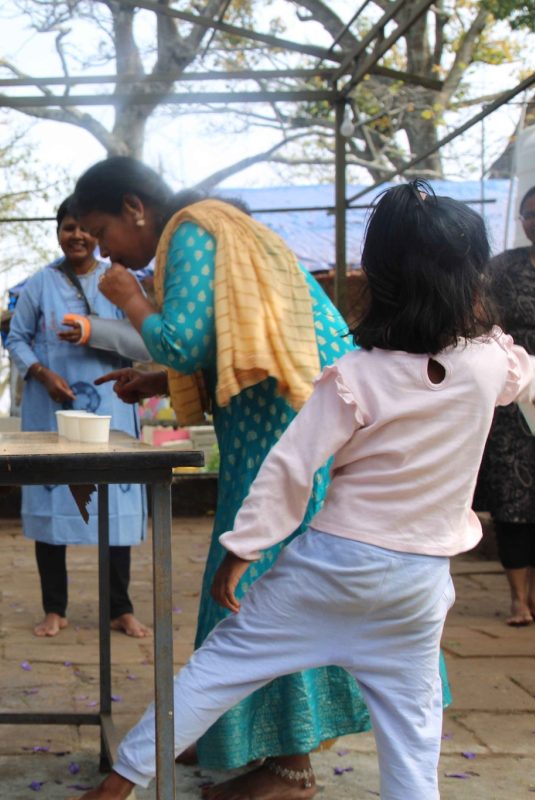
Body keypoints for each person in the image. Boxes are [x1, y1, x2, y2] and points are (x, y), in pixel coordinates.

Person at [76, 181, 535, 800]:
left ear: (377, 278)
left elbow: (291, 468)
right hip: (420, 584)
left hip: (332, 567)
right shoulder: (491, 363)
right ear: (474, 277)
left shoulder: (355, 376)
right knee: (413, 739)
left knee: (219, 669)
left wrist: (243, 549)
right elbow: (534, 376)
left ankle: (118, 785)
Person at [72, 157, 374, 797]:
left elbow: (183, 342)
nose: (104, 252)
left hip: (281, 424)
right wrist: (158, 380)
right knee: (267, 583)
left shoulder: (190, 230)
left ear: (134, 208)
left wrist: (129, 299)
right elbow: (232, 340)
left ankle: (291, 769)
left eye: (102, 232)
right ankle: (232, 733)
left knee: (252, 590)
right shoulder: (218, 227)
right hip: (295, 412)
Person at [4, 197, 150, 639]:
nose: (78, 236)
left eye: (86, 227)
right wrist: (41, 372)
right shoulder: (40, 283)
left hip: (111, 409)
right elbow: (16, 338)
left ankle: (120, 608)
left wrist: (93, 330)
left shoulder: (119, 281)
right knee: (52, 505)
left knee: (113, 505)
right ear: (58, 232)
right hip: (52, 412)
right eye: (69, 227)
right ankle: (54, 608)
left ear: (99, 233)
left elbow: (145, 340)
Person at [476, 182, 535, 625]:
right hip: (514, 397)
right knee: (513, 496)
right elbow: (480, 320)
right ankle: (517, 599)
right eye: (529, 214)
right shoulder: (504, 268)